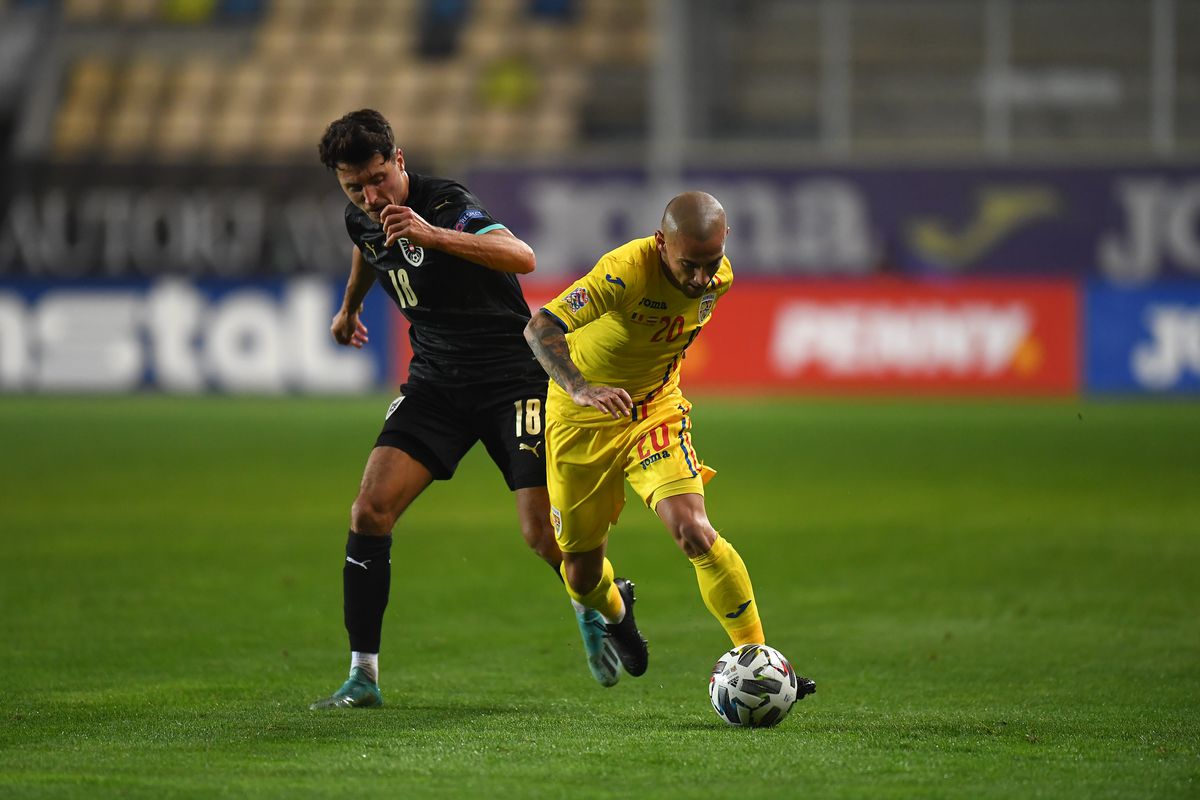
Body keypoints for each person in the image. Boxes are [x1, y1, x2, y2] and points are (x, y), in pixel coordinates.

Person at [309, 109, 619, 710]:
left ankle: (600, 603)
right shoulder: (362, 215)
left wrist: (432, 234)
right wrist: (349, 309)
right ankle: (363, 676)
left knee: (542, 534)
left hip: (512, 379)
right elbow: (367, 247)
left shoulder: (445, 203)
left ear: (400, 161)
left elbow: (521, 255)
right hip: (436, 384)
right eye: (355, 187)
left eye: (378, 179)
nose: (371, 197)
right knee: (369, 511)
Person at [524, 192, 814, 699]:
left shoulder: (720, 279)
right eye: (688, 265)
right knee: (580, 575)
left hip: (653, 412)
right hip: (580, 418)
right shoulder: (623, 273)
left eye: (711, 262)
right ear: (661, 243)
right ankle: (616, 610)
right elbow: (540, 326)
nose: (701, 278)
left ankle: (762, 664)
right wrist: (580, 387)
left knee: (694, 531)